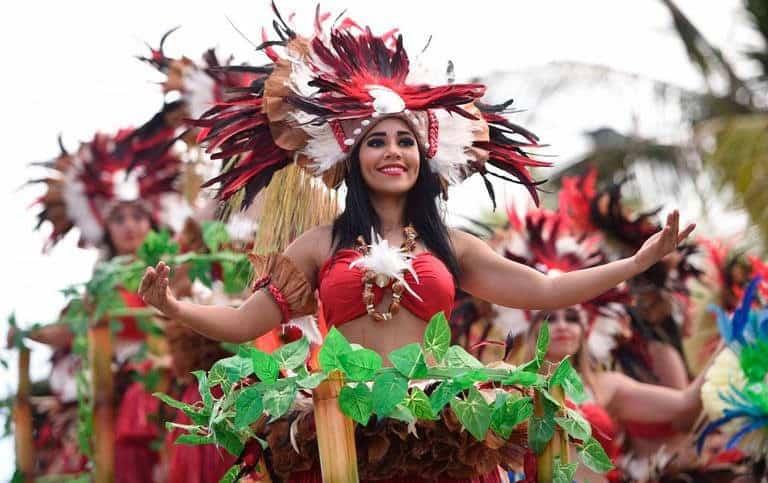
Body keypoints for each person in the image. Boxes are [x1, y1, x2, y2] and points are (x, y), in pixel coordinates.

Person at [138, 9, 694, 482]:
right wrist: (173, 307)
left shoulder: (451, 244)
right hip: (342, 419)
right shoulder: (320, 243)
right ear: (352, 159)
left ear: (424, 157)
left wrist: (637, 262)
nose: (392, 151)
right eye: (376, 141)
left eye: (405, 139)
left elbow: (545, 289)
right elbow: (243, 321)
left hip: (439, 424)